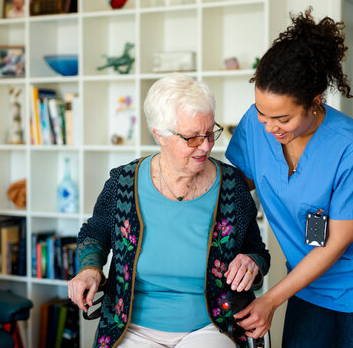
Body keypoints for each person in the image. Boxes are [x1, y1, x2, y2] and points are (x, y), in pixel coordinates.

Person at [225, 8, 353, 347]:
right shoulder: (257, 125)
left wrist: (270, 299)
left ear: (314, 102)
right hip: (308, 282)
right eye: (261, 112)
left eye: (282, 118)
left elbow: (333, 245)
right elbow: (235, 186)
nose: (269, 127)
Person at [68, 73, 270, 348]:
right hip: (132, 326)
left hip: (210, 325)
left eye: (211, 132)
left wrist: (251, 263)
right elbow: (94, 233)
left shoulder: (232, 186)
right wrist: (89, 269)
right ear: (159, 135)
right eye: (192, 138)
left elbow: (258, 251)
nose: (207, 145)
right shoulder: (123, 183)